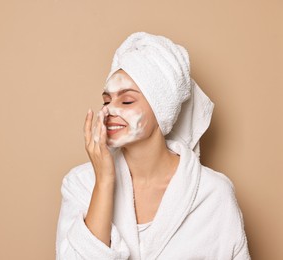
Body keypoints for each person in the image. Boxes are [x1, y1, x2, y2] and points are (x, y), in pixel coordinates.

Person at [55, 32, 250, 260]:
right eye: (106, 101)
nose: (110, 110)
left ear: (161, 111)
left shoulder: (213, 194)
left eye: (126, 101)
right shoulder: (82, 184)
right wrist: (105, 181)